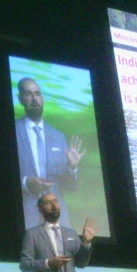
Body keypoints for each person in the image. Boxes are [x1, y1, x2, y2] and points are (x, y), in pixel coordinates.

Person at [15, 78, 85, 229]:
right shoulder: (12, 131)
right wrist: (26, 183)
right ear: (20, 99)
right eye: (28, 94)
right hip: (25, 219)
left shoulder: (58, 136)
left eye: (37, 94)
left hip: (57, 221)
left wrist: (72, 168)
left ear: (42, 99)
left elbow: (71, 187)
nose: (34, 99)